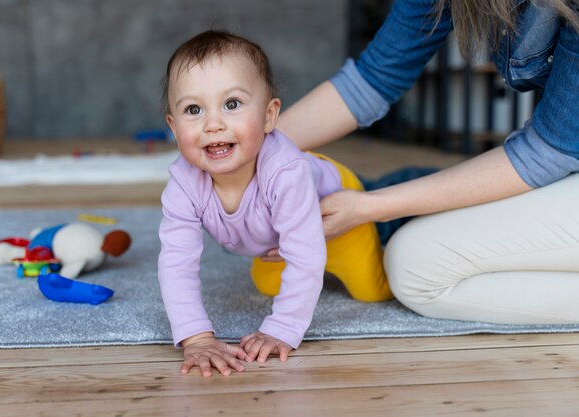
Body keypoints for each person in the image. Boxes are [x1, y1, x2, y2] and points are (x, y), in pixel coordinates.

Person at [269, 0, 579, 326]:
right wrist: (250, 151)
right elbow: (372, 78)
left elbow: (545, 153)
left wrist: (368, 207)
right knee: (402, 191)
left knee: (413, 265)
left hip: (559, 156)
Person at [158, 30, 391, 377]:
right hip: (277, 240)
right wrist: (196, 337)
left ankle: (393, 221)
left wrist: (281, 329)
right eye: (194, 109)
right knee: (269, 284)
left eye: (232, 104)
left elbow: (305, 255)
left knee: (372, 290)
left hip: (341, 211)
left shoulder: (286, 172)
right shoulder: (183, 184)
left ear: (269, 116)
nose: (213, 124)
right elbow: (176, 263)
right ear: (174, 129)